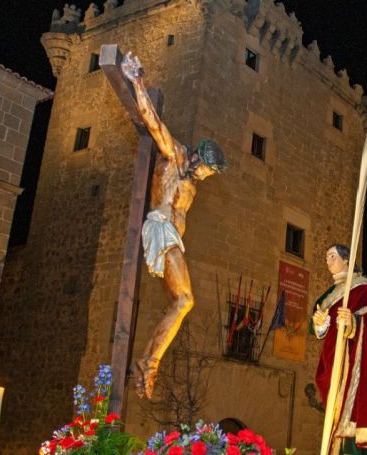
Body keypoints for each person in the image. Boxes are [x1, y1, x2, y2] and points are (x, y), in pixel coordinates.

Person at [122, 52, 227, 398]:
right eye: (206, 170)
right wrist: (137, 81)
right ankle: (148, 363)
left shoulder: (192, 183)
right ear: (196, 158)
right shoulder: (175, 156)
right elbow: (153, 123)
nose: (205, 176)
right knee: (184, 299)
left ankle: (148, 361)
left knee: (184, 301)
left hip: (170, 236)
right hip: (159, 227)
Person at [311, 244, 367, 454]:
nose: (328, 261)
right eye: (326, 257)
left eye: (333, 256)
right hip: (332, 361)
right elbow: (320, 329)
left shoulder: (364, 289)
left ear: (346, 261)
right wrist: (321, 324)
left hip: (352, 365)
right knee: (334, 419)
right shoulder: (330, 294)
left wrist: (352, 323)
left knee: (351, 417)